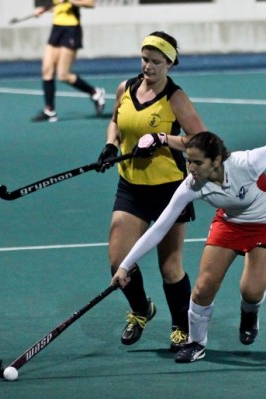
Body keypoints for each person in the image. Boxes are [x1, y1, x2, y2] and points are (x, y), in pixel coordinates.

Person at [111, 124, 266, 363]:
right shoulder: (191, 185)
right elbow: (159, 228)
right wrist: (125, 265)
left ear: (216, 160)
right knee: (203, 287)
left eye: (197, 162)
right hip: (229, 223)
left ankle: (249, 313)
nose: (191, 168)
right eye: (188, 161)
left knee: (251, 291)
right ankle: (196, 343)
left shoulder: (246, 163)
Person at [96, 31, 207, 351]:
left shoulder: (175, 98)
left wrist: (162, 140)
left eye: (157, 62)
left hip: (170, 191)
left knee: (170, 267)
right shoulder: (126, 88)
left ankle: (181, 326)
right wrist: (110, 144)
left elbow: (200, 139)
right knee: (119, 261)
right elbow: (115, 121)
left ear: (170, 64)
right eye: (145, 59)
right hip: (131, 187)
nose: (149, 66)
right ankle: (141, 309)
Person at [31, 0, 105, 122]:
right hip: (56, 28)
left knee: (63, 75)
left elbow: (90, 3)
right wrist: (43, 10)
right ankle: (50, 111)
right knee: (47, 70)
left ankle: (95, 92)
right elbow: (58, 5)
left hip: (71, 29)